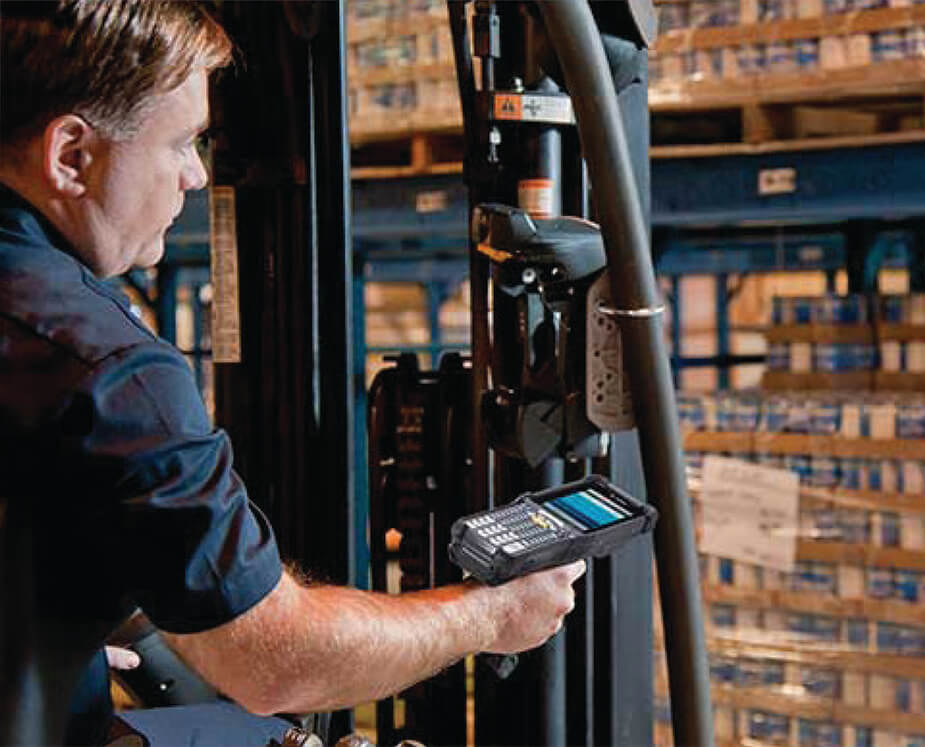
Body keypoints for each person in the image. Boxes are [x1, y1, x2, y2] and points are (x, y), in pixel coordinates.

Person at [0, 2, 584, 744]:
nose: (195, 174)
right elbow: (273, 662)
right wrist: (493, 615)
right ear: (71, 156)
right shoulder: (107, 373)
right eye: (180, 143)